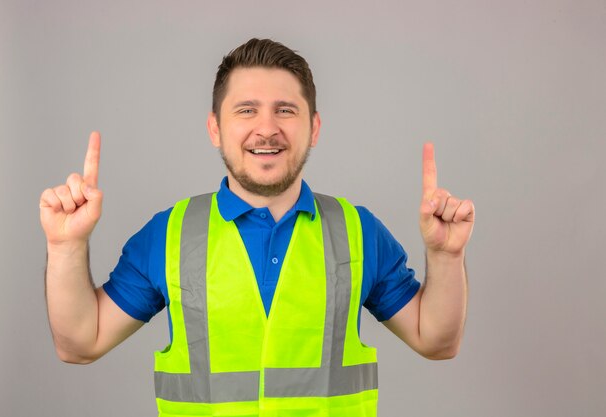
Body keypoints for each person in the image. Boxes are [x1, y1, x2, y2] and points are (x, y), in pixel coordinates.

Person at [40, 38, 474, 417]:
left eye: (285, 110)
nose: (267, 129)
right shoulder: (168, 234)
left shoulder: (358, 232)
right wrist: (65, 247)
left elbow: (436, 341)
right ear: (216, 128)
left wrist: (446, 256)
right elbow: (81, 343)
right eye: (246, 110)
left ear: (314, 128)